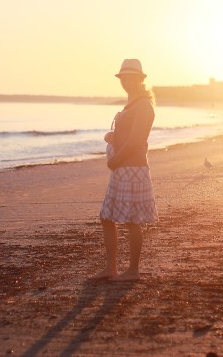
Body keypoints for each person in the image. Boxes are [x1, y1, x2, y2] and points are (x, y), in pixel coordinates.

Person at [92, 58, 158, 282]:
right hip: (122, 168)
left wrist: (114, 160)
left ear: (140, 79)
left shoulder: (143, 105)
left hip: (132, 168)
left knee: (131, 220)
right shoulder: (132, 104)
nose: (127, 82)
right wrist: (112, 137)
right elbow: (127, 136)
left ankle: (132, 271)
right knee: (107, 216)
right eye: (124, 78)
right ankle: (111, 268)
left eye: (131, 78)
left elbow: (137, 140)